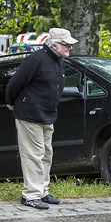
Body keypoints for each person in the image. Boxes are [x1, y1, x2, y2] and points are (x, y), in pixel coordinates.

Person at [6, 28, 78, 209]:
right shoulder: (35, 59)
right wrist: (11, 102)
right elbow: (15, 83)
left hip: (47, 115)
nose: (70, 48)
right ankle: (30, 195)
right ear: (54, 45)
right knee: (33, 155)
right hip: (30, 114)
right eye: (67, 44)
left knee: (46, 154)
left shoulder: (58, 60)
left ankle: (42, 191)